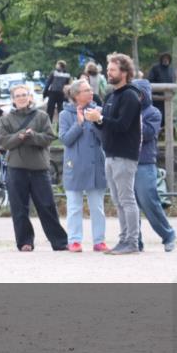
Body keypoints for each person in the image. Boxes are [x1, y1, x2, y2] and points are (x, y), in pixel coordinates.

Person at [0, 83, 68, 252]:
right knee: (19, 208)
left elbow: (50, 137)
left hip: (38, 169)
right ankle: (24, 242)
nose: (21, 98)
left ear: (30, 97)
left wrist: (33, 136)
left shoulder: (42, 116)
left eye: (24, 95)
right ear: (13, 100)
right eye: (18, 96)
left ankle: (59, 242)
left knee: (47, 206)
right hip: (16, 168)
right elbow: (4, 142)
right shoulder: (6, 119)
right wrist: (19, 137)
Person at [85, 53, 142, 255]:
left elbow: (122, 125)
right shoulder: (111, 96)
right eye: (107, 70)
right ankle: (123, 239)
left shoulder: (130, 96)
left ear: (125, 72)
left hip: (124, 154)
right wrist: (97, 120)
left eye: (113, 70)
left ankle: (132, 241)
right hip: (110, 154)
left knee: (127, 199)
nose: (108, 73)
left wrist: (100, 117)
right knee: (118, 200)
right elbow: (107, 126)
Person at [58, 79, 108, 252]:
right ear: (76, 95)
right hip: (75, 166)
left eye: (90, 89)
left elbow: (106, 138)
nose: (91, 92)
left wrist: (97, 122)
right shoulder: (65, 115)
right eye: (87, 90)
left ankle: (99, 240)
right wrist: (79, 124)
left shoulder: (99, 111)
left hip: (96, 166)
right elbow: (65, 140)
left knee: (97, 207)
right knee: (74, 207)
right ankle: (74, 240)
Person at [131, 79, 176, 252]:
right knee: (130, 204)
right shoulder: (127, 111)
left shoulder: (154, 113)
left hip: (145, 163)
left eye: (137, 94)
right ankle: (136, 240)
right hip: (126, 162)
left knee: (149, 202)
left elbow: (149, 133)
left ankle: (168, 235)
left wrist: (132, 117)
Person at [147, 52, 175, 130]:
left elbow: (174, 80)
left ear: (169, 60)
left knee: (168, 117)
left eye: (167, 58)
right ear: (161, 59)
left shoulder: (171, 69)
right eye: (164, 58)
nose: (166, 60)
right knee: (158, 116)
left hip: (168, 97)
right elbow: (150, 80)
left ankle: (165, 133)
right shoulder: (155, 68)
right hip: (157, 98)